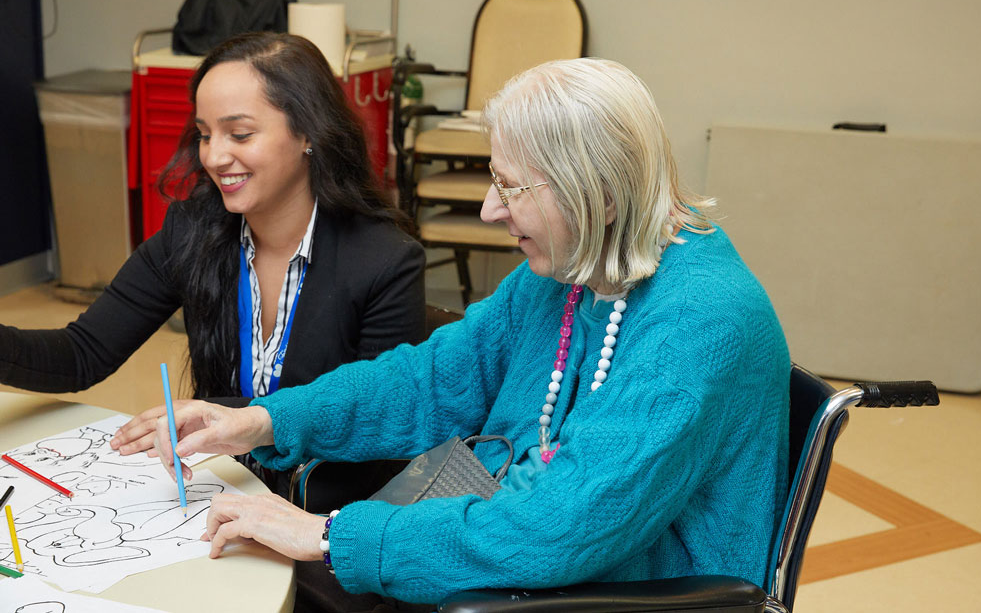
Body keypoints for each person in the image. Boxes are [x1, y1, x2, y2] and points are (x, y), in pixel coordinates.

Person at [155, 58, 790, 610]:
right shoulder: (573, 267)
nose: (490, 208)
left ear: (597, 193)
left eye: (511, 186)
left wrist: (327, 534)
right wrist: (266, 420)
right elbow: (428, 380)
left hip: (609, 591)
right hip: (519, 552)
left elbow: (559, 530)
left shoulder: (700, 320)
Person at [0, 32, 426, 496]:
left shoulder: (385, 261)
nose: (214, 156)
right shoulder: (193, 231)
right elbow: (80, 354)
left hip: (321, 516)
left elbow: (378, 422)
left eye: (239, 134)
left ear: (307, 133)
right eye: (204, 134)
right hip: (218, 492)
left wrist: (220, 413)